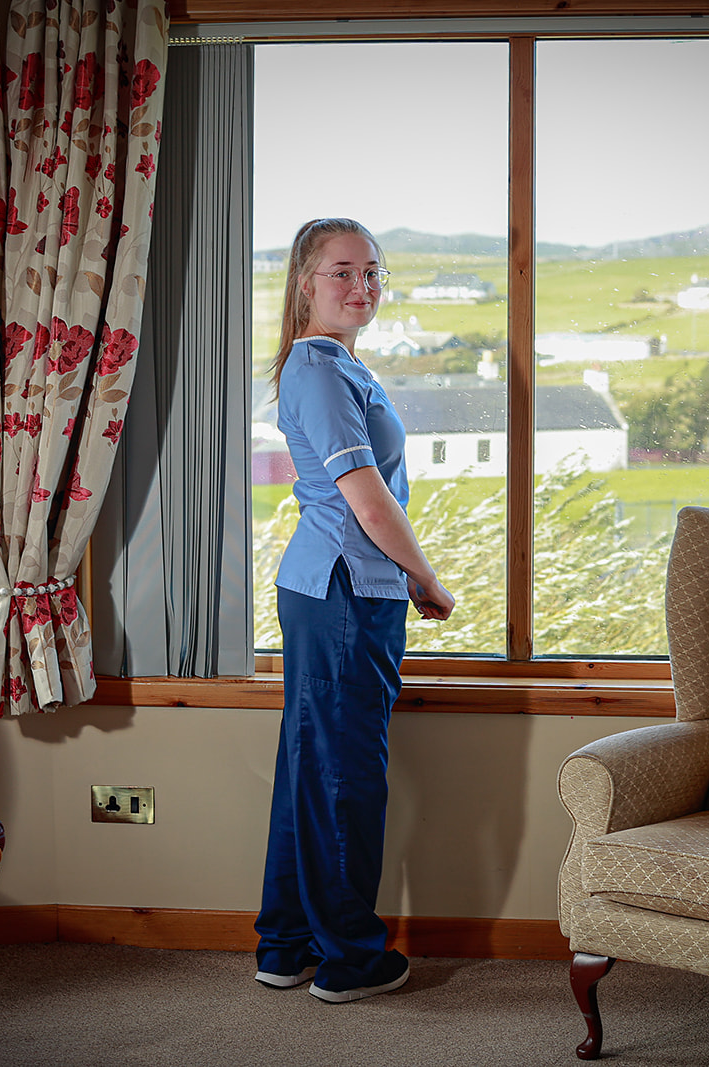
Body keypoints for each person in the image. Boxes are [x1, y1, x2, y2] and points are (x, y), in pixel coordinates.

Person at [253, 218, 456, 1004]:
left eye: (372, 272)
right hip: (345, 587)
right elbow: (369, 503)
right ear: (305, 281)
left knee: (312, 765)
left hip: (329, 585)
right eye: (342, 271)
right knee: (346, 774)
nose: (361, 286)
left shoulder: (329, 364)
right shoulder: (320, 369)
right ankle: (349, 957)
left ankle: (287, 943)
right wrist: (424, 578)